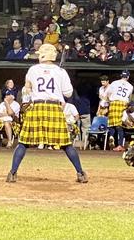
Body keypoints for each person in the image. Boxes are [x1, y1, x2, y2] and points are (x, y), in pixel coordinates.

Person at [6, 43, 88, 184]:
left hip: (37, 107)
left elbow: (27, 89)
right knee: (66, 144)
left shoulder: (33, 69)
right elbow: (68, 93)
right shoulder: (60, 71)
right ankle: (80, 173)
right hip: (54, 108)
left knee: (23, 142)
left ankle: (12, 173)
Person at [107, 70, 133, 151]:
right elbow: (129, 97)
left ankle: (111, 135)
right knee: (120, 125)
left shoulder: (114, 83)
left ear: (121, 76)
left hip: (114, 103)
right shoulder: (130, 86)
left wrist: (110, 100)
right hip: (123, 104)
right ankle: (120, 145)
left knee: (111, 124)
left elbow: (108, 93)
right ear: (128, 77)